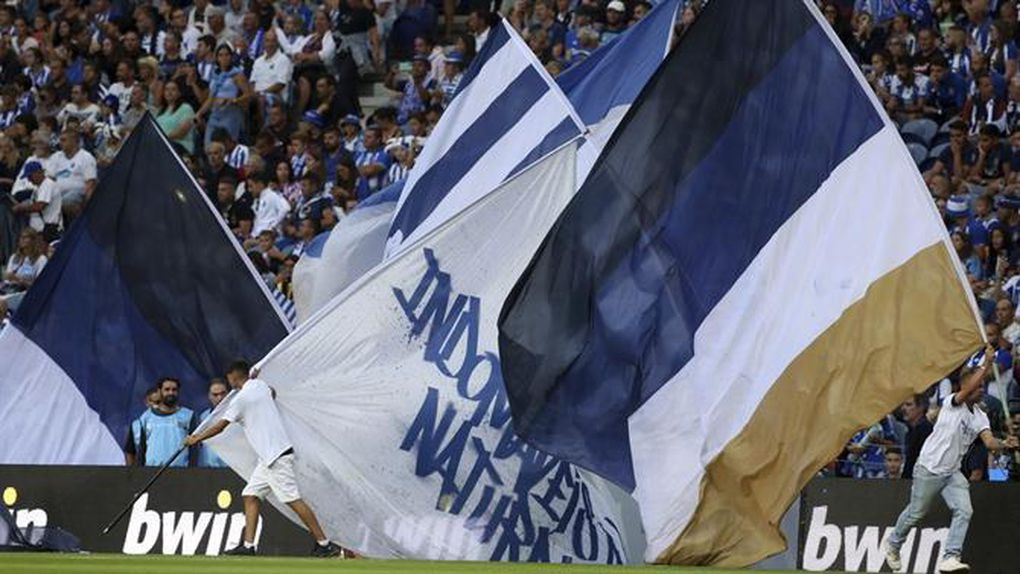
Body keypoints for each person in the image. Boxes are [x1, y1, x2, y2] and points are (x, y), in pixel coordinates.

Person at [183, 364, 345, 557]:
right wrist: (255, 380)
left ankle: (324, 544)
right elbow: (272, 393)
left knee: (292, 499)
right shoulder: (260, 386)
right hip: (269, 457)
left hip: (275, 456)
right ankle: (249, 546)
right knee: (250, 495)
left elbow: (220, 427)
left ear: (233, 376)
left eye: (229, 378)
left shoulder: (240, 399)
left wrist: (196, 438)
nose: (228, 381)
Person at [884, 346, 1019, 573]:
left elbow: (989, 442)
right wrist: (986, 363)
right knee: (916, 513)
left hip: (952, 472)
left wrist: (1005, 443)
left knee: (964, 510)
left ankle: (950, 557)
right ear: (966, 387)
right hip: (930, 468)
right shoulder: (952, 403)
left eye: (983, 387)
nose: (982, 390)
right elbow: (968, 389)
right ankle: (893, 543)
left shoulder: (980, 416)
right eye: (978, 387)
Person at [124, 377, 198, 468]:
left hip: (180, 471)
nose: (171, 393)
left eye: (174, 390)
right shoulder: (146, 418)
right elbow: (141, 450)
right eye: (167, 389)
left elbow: (194, 449)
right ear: (159, 391)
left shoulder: (188, 416)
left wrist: (192, 471)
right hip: (151, 471)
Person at [197, 378, 230, 468]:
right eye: (215, 395)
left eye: (223, 394)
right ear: (209, 396)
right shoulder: (203, 417)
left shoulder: (236, 415)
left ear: (228, 394)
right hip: (208, 468)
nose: (220, 398)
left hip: (231, 468)